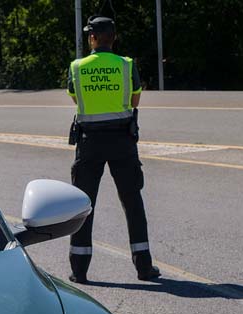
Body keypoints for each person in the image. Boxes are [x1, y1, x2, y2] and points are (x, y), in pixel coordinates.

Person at [66, 16, 160, 283]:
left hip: (89, 143)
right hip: (122, 141)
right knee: (132, 202)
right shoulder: (126, 65)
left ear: (93, 38)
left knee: (84, 204)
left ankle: (79, 269)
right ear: (114, 38)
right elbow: (135, 98)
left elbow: (75, 97)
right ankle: (144, 267)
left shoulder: (77, 67)